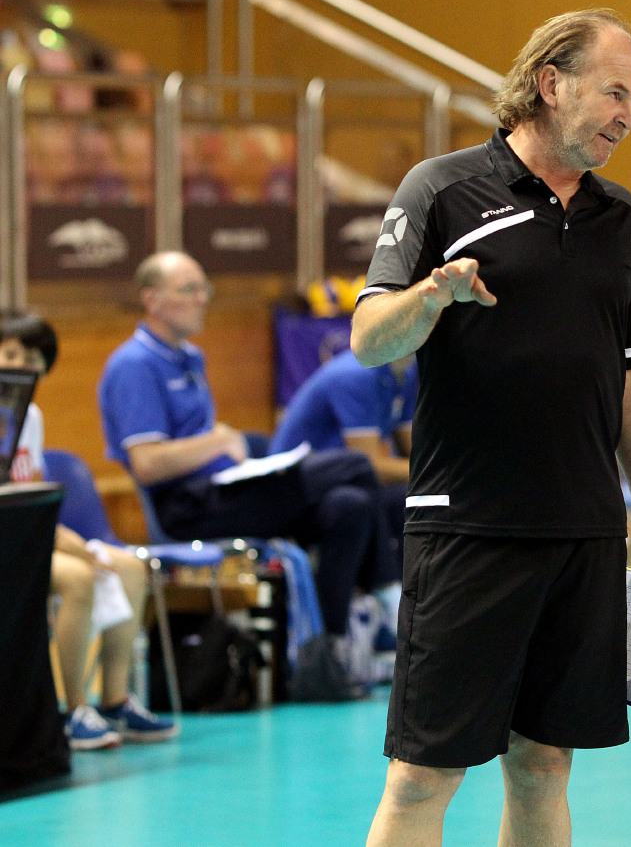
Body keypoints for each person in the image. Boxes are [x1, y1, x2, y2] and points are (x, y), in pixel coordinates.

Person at [351, 9, 631, 847]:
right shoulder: (441, 189)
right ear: (550, 83)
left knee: (544, 765)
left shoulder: (620, 218)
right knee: (423, 775)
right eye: (615, 93)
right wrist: (432, 294)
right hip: (469, 529)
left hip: (583, 531)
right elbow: (368, 339)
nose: (627, 117)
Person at [97, 252, 399, 701]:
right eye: (188, 290)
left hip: (227, 491)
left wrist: (224, 449)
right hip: (187, 508)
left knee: (348, 507)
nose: (202, 299)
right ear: (151, 299)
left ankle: (326, 656)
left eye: (204, 289)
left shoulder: (190, 357)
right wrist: (218, 440)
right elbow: (147, 464)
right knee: (355, 466)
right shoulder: (134, 365)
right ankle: (390, 601)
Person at [1, 311, 177, 750]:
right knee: (78, 577)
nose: (20, 367)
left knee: (129, 567)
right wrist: (67, 545)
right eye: (10, 354)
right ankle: (71, 709)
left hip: (25, 535)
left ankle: (113, 701)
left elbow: (29, 494)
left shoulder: (30, 416)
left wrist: (66, 540)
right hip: (9, 540)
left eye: (31, 360)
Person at [269, 347, 418, 564]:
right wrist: (443, 474)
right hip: (294, 488)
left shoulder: (404, 372)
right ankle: (392, 582)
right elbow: (371, 467)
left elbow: (415, 452)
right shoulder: (356, 374)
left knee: (423, 493)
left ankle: (402, 580)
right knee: (400, 497)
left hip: (343, 478)